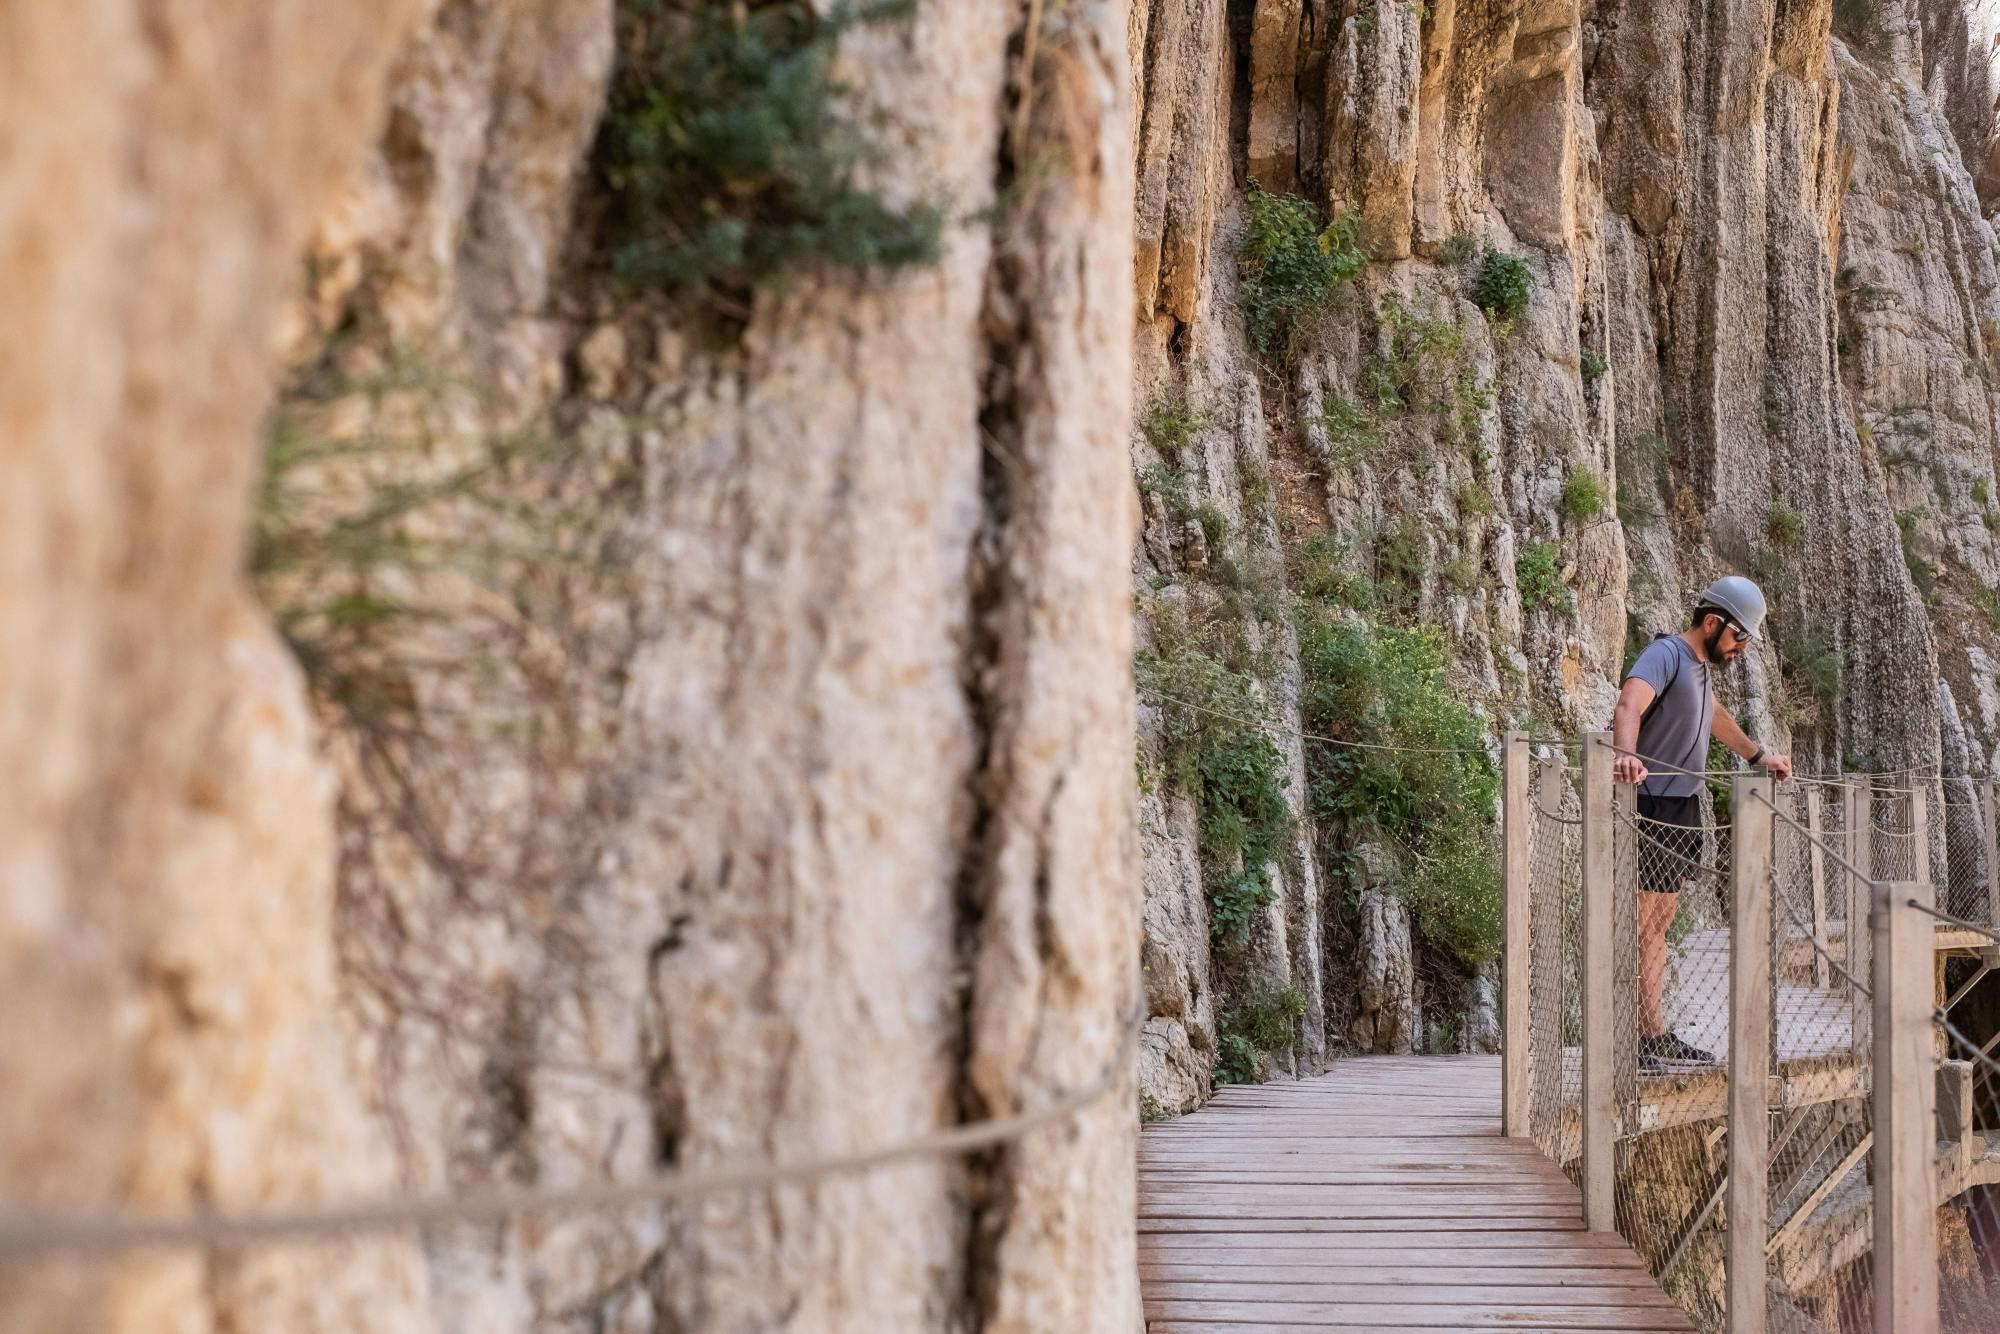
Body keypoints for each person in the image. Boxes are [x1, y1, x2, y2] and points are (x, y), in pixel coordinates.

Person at [1610, 575, 1793, 1071]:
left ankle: (1653, 1033)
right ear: (1713, 622)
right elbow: (1629, 702)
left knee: (1658, 927)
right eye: (1738, 636)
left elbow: (1715, 717)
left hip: (1681, 809)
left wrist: (1759, 756)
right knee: (1637, 924)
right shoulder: (1667, 654)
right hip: (1649, 803)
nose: (1741, 648)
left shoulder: (1700, 670)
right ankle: (1624, 1039)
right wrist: (1625, 755)